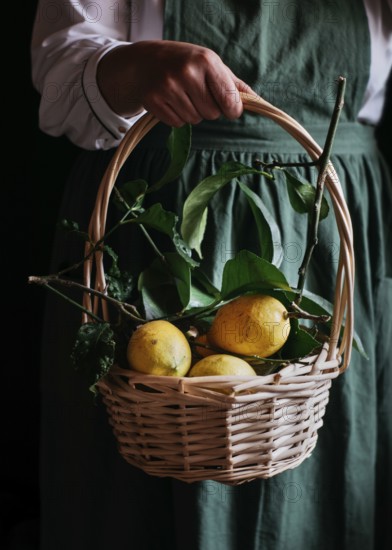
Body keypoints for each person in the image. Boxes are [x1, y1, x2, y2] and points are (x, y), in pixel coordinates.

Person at [31, 1, 392, 549]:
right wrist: (136, 69)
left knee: (325, 487)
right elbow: (61, 79)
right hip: (153, 224)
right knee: (137, 488)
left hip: (331, 228)